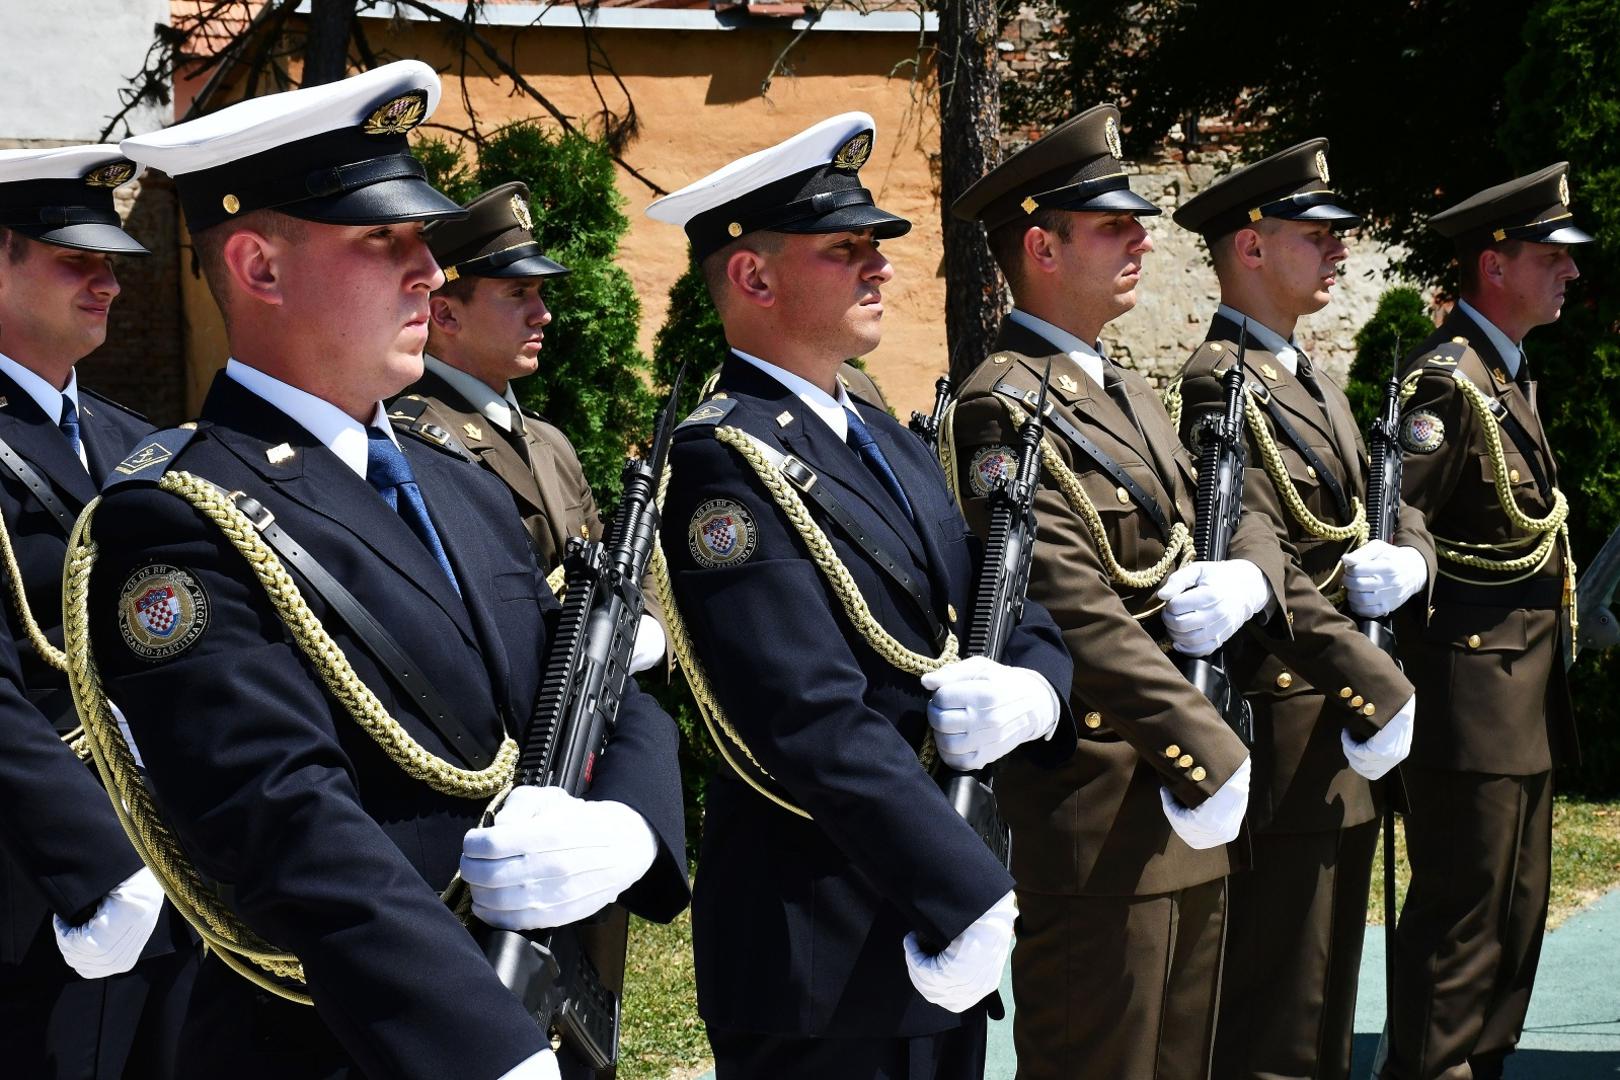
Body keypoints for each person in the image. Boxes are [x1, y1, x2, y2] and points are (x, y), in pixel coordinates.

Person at [78, 60, 688, 1080]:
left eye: (423, 238)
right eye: (384, 239)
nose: (431, 271)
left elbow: (598, 672)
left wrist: (630, 821)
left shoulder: (460, 483)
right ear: (260, 269)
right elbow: (292, 831)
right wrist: (488, 1051)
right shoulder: (178, 525)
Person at [645, 112, 1075, 1079]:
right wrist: (963, 890)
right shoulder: (726, 464)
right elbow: (810, 719)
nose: (879, 267)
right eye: (845, 250)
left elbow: (1007, 589)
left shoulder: (875, 434)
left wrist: (1038, 692)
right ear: (753, 278)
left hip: (931, 905)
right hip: (824, 949)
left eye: (875, 247)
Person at [948, 103, 1278, 1080]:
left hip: (1187, 799)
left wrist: (1249, 572)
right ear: (1042, 247)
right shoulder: (1000, 406)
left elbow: (1227, 507)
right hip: (1103, 811)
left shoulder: (1129, 390)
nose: (1142, 238)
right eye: (1112, 226)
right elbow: (1070, 600)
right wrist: (1207, 748)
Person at [1170, 139, 1428, 1080]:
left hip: (1341, 726)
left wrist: (1411, 559)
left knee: (1323, 1004)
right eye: (1316, 233)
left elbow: (1381, 512)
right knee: (1278, 1015)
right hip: (1291, 721)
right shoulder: (1219, 380)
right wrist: (1377, 687)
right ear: (1249, 247)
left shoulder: (1305, 376)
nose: (1340, 250)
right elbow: (1262, 553)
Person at [1384, 163, 1587, 1080]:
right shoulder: (1446, 381)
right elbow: (1403, 514)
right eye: (1551, 256)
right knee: (1463, 924)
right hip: (1470, 699)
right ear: (1493, 266)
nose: (1571, 274)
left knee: (1516, 917)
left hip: (1522, 695)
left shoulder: (1502, 373)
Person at [0, 144, 195, 1079]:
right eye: (77, 258)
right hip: (32, 885)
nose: (109, 283)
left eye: (114, 261)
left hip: (174, 866)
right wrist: (94, 861)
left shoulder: (135, 445)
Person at [395, 180, 667, 674]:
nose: (543, 313)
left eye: (539, 293)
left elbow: (617, 554)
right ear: (446, 313)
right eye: (518, 293)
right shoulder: (416, 442)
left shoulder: (549, 442)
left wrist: (645, 626)